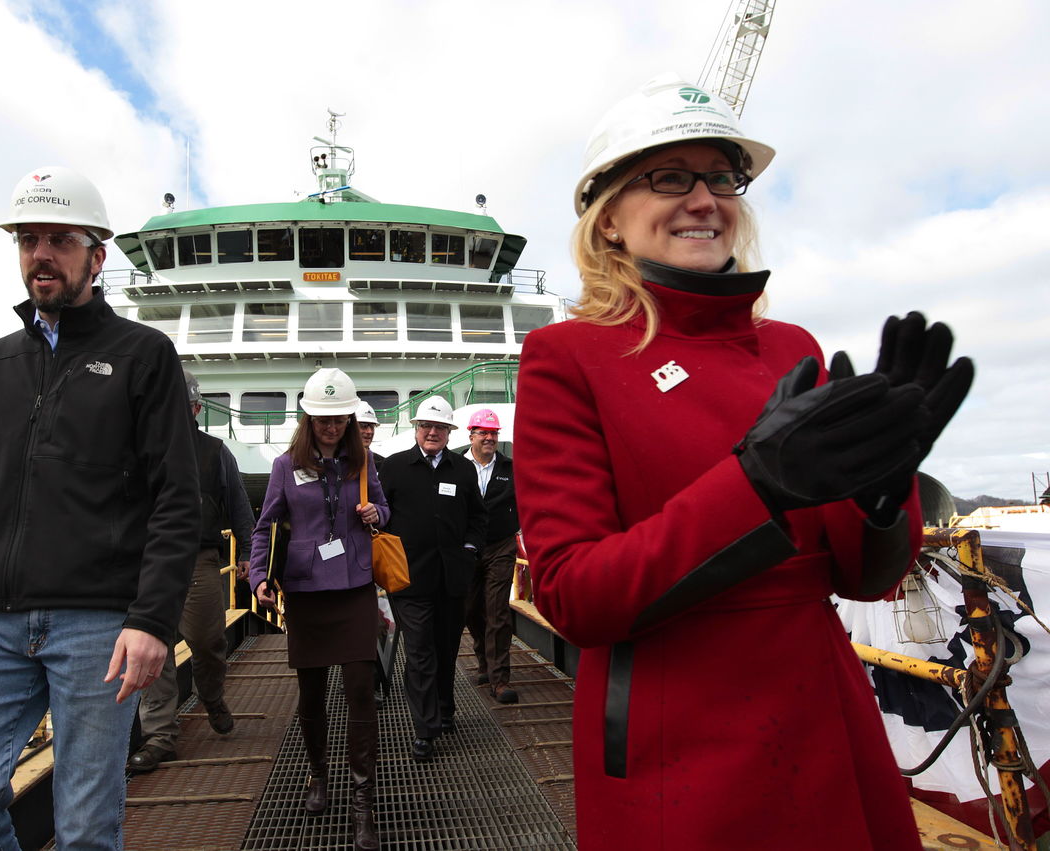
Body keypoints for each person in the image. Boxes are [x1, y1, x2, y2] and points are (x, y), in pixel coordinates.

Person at [513, 73, 972, 850]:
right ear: (610, 221)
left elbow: (862, 579)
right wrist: (755, 483)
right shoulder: (566, 356)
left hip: (823, 715)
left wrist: (884, 491)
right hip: (679, 744)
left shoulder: (791, 347)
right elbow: (574, 594)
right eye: (668, 176)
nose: (704, 198)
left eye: (722, 176)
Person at [0, 166, 201, 849]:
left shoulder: (143, 356)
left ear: (97, 255)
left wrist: (152, 619)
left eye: (60, 239)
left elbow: (177, 500)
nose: (41, 253)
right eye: (28, 239)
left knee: (88, 830)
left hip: (96, 625)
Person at [249, 368, 388, 851]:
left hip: (354, 586)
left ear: (350, 419)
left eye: (339, 419)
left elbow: (385, 509)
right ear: (308, 419)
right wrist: (259, 577)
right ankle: (319, 777)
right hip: (306, 592)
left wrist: (376, 514)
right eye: (323, 419)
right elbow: (265, 527)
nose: (331, 427)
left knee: (361, 693)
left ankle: (362, 801)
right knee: (311, 697)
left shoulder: (363, 461)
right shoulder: (286, 466)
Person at [128, 375, 255, 772]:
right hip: (145, 561)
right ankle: (160, 737)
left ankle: (212, 695)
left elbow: (238, 505)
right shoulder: (137, 448)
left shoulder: (215, 452)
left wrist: (250, 552)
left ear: (196, 410)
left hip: (196, 558)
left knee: (207, 640)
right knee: (153, 647)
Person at [379, 395, 487, 763]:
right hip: (408, 579)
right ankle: (425, 729)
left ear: (450, 432)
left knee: (446, 649)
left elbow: (478, 516)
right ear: (416, 428)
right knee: (420, 650)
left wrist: (470, 549)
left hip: (453, 578)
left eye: (440, 427)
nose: (432, 432)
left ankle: (445, 708)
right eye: (426, 425)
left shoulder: (462, 469)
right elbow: (382, 517)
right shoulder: (394, 468)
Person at [461, 409, 520, 704]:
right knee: (471, 609)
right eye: (483, 432)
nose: (489, 438)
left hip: (501, 546)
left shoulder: (510, 468)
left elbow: (527, 501)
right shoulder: (456, 467)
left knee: (497, 611)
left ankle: (500, 680)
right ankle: (484, 659)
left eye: (493, 433)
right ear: (470, 435)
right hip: (467, 548)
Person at [355, 400, 385, 469]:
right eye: (363, 425)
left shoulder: (382, 464)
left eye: (372, 426)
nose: (369, 431)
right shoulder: (336, 462)